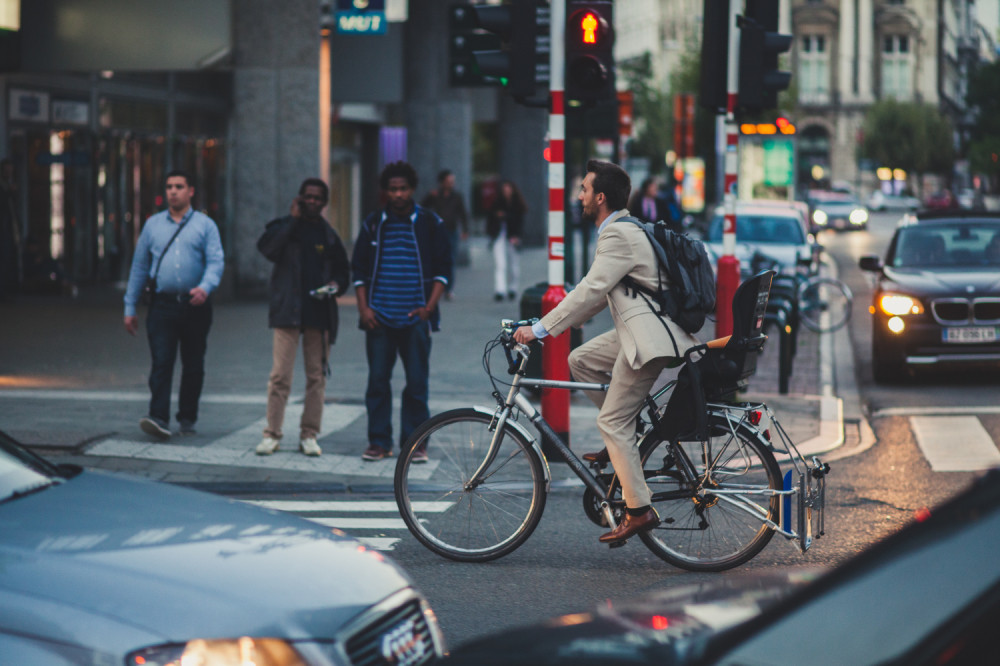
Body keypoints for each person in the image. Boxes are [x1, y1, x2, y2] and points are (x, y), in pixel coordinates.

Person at [513, 159, 698, 544]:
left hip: (650, 338)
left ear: (599, 197)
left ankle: (638, 509)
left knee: (611, 423)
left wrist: (540, 329)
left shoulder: (618, 235)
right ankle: (626, 436)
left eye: (583, 188)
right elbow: (597, 295)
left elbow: (589, 290)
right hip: (643, 327)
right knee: (580, 361)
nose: (578, 195)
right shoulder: (622, 229)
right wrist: (564, 320)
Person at [352, 161, 452, 462]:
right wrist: (364, 309)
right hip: (379, 317)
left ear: (412, 189)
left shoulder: (430, 222)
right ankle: (378, 442)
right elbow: (358, 270)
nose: (398, 194)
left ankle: (414, 442)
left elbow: (443, 270)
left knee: (417, 382)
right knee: (378, 382)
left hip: (415, 319)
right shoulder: (373, 223)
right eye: (393, 189)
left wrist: (428, 308)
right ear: (386, 191)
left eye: (403, 189)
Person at [123, 170, 224, 439]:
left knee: (193, 364)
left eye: (179, 186)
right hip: (162, 305)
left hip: (196, 306)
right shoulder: (153, 226)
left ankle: (187, 417)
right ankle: (158, 417)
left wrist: (205, 287)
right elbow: (139, 267)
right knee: (162, 362)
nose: (173, 191)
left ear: (191, 191)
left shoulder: (205, 225)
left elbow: (216, 261)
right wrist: (129, 307)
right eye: (169, 186)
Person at [255, 178, 350, 457]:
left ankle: (309, 434)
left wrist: (335, 286)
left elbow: (344, 272)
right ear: (299, 198)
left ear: (324, 202)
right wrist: (293, 222)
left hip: (319, 315)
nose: (312, 201)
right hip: (287, 312)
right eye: (307, 196)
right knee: (280, 376)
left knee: (316, 377)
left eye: (317, 197)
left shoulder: (329, 235)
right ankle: (272, 434)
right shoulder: (283, 227)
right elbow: (268, 250)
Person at [421, 169, 468, 300]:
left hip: (452, 231)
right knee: (435, 259)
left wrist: (465, 230)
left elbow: (463, 213)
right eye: (448, 181)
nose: (451, 184)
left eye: (452, 181)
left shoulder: (457, 196)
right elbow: (422, 208)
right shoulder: (435, 195)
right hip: (437, 231)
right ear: (442, 182)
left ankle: (448, 289)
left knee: (450, 260)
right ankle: (435, 287)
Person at [486, 179, 526, 302]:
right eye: (504, 190)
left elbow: (519, 223)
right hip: (499, 236)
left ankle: (512, 288)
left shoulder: (517, 205)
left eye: (509, 190)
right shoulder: (497, 204)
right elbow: (490, 220)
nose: (507, 193)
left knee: (513, 265)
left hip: (512, 237)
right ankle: (500, 290)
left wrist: (517, 236)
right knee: (500, 264)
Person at [0, 158, 21, 300]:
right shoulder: (4, 187)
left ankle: (8, 289)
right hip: (4, 227)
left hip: (9, 227)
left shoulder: (9, 185)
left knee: (9, 258)